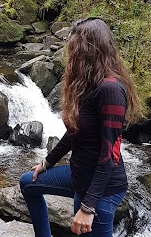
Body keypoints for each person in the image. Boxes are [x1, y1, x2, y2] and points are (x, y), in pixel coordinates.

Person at [19, 17, 141, 237]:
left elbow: (109, 154)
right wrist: (46, 163)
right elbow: (75, 132)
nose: (70, 55)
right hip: (79, 176)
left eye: (74, 48)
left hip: (102, 190)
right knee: (28, 183)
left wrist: (88, 207)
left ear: (89, 50)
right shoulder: (88, 84)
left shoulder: (110, 90)